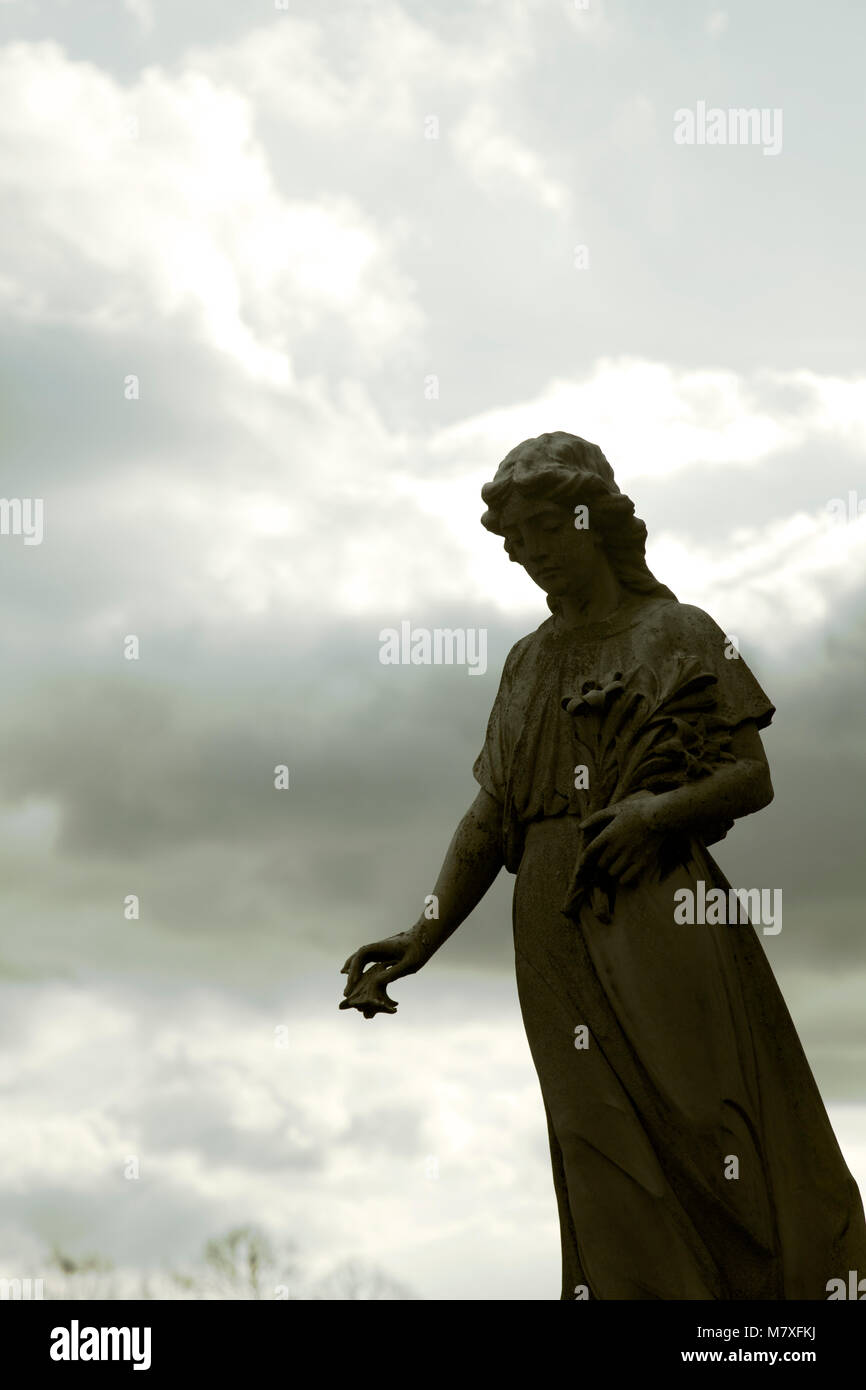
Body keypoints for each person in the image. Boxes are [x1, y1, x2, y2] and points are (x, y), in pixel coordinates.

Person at [341, 431, 866, 1299]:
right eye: (514, 545)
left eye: (544, 531)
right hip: (548, 911)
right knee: (596, 1137)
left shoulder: (679, 631)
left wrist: (657, 812)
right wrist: (422, 933)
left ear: (593, 519)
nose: (530, 556)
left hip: (657, 900)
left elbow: (752, 777)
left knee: (711, 1121)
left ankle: (774, 1313)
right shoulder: (526, 661)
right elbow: (490, 817)